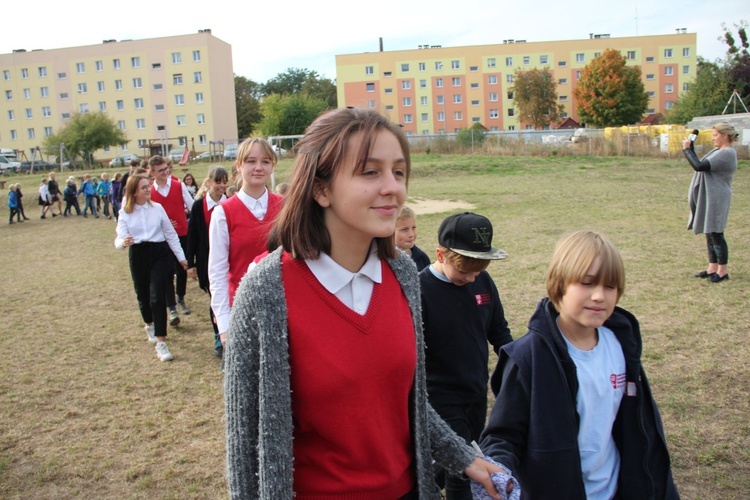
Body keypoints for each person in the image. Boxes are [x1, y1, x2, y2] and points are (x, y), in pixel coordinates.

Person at [224, 108, 505, 499]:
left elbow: (406, 403)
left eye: (399, 171)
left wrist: (463, 457)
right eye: (370, 172)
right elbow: (244, 446)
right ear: (321, 189)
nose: (392, 187)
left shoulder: (405, 275)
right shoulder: (266, 291)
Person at [478, 230, 679, 499]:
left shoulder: (621, 345)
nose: (599, 296)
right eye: (587, 283)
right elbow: (504, 434)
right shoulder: (528, 358)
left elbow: (641, 428)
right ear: (559, 284)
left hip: (613, 490)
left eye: (610, 286)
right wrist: (499, 468)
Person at [420, 211, 513, 500]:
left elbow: (499, 332)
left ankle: (424, 480)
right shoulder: (420, 290)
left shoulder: (482, 282)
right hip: (441, 399)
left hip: (475, 393)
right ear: (441, 254)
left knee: (461, 455)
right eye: (464, 272)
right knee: (466, 467)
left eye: (478, 271)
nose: (472, 278)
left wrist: (516, 367)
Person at [208, 138, 283, 346]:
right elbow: (217, 271)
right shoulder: (223, 213)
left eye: (266, 161)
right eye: (251, 161)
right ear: (239, 166)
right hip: (242, 308)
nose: (258, 167)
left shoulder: (286, 207)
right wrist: (223, 325)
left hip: (283, 306)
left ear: (272, 166)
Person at [114, 174, 188, 362]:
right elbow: (119, 238)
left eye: (148, 186)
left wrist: (181, 258)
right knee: (143, 295)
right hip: (138, 254)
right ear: (134, 191)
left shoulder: (158, 208)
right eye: (144, 187)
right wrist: (123, 242)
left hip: (160, 252)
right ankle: (149, 324)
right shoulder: (125, 212)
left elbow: (170, 234)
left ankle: (161, 342)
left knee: (157, 297)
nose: (148, 190)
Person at [682, 121, 738, 283]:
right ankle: (712, 267)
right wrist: (690, 148)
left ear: (725, 136)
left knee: (716, 232)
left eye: (715, 135)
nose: (713, 138)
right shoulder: (719, 150)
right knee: (709, 232)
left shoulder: (727, 153)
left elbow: (699, 166)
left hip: (718, 197)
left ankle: (722, 271)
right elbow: (701, 164)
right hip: (710, 195)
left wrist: (687, 149)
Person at [186, 166, 228, 357]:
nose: (222, 185)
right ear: (209, 182)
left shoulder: (232, 203)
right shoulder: (199, 206)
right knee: (216, 298)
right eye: (218, 182)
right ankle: (219, 335)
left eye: (225, 181)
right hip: (207, 261)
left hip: (231, 261)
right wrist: (191, 263)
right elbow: (192, 236)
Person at [148, 155, 194, 323]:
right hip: (161, 238)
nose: (165, 172)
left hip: (182, 233)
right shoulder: (150, 192)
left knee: (183, 268)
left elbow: (192, 206)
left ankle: (180, 297)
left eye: (166, 169)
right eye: (160, 171)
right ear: (152, 172)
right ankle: (172, 307)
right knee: (167, 272)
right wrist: (163, 224)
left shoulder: (178, 185)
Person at [395, 205, 431, 271]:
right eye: (405, 229)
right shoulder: (381, 260)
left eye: (413, 228)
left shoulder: (422, 258)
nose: (411, 234)